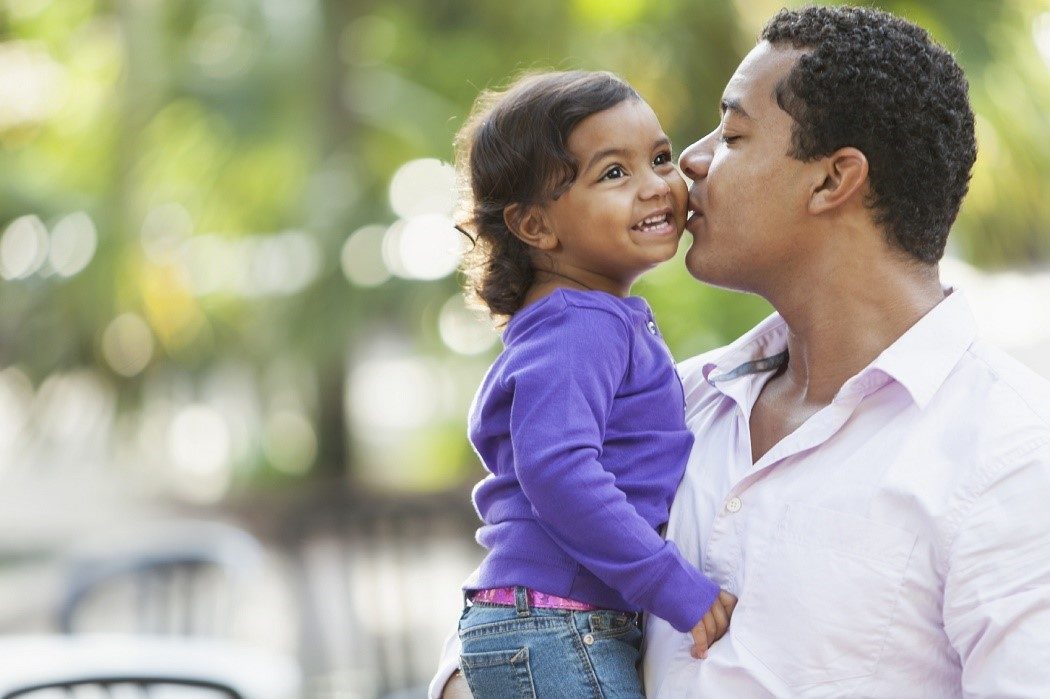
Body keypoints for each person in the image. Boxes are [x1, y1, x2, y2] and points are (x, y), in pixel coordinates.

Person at [434, 5, 1050, 697]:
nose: (689, 164)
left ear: (831, 179)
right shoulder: (682, 397)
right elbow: (520, 613)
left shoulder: (1010, 458)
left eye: (730, 133)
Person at [447, 70, 737, 698]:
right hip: (559, 620)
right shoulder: (583, 324)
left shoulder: (570, 321)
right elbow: (557, 468)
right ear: (535, 227)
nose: (658, 186)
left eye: (660, 158)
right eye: (613, 173)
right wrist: (669, 583)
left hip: (547, 617)